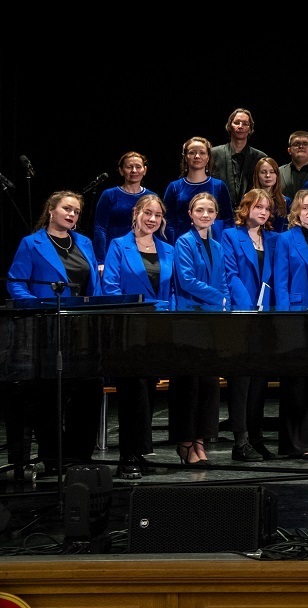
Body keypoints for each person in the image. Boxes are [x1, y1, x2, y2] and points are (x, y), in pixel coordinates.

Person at [5, 190, 103, 470]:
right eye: (67, 209)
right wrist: (37, 307)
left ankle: (80, 455)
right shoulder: (31, 243)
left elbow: (93, 285)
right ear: (51, 210)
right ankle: (53, 457)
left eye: (76, 212)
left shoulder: (84, 242)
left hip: (82, 326)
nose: (72, 214)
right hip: (46, 327)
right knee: (49, 394)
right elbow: (16, 283)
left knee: (89, 389)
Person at [101, 193, 175, 479]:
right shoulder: (118, 246)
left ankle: (140, 452)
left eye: (157, 215)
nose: (152, 219)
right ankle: (126, 457)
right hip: (129, 328)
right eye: (148, 214)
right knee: (131, 393)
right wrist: (148, 307)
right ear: (136, 214)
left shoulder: (167, 249)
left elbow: (173, 290)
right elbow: (110, 289)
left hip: (157, 330)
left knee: (148, 392)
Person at [170, 191, 231, 467]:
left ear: (216, 215)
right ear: (190, 215)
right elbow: (186, 280)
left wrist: (226, 303)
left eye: (210, 211)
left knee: (209, 384)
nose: (205, 215)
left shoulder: (218, 246)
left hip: (212, 322)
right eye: (199, 211)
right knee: (189, 384)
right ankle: (185, 442)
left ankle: (200, 442)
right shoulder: (183, 242)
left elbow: (223, 281)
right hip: (189, 319)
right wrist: (218, 298)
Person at [220, 188, 279, 462]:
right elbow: (230, 275)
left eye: (266, 208)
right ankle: (240, 441)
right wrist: (249, 309)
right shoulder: (231, 236)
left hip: (266, 317)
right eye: (258, 207)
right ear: (246, 209)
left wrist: (266, 310)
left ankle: (256, 438)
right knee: (241, 381)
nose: (263, 212)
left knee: (259, 381)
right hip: (243, 316)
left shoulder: (273, 239)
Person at [272, 189, 308, 461]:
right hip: (295, 313)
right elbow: (280, 282)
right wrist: (284, 319)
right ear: (296, 211)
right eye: (305, 207)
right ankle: (295, 443)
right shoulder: (285, 240)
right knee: (295, 382)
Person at [162, 136, 234, 243]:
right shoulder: (174, 187)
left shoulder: (219, 185)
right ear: (185, 157)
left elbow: (228, 220)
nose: (197, 156)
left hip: (212, 242)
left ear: (208, 157)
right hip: (182, 244)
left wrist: (225, 244)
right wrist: (174, 245)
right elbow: (168, 222)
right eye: (192, 152)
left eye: (202, 153)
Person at [92, 150, 154, 273]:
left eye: (138, 167)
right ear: (121, 171)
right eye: (129, 167)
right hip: (113, 252)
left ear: (145, 170)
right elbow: (100, 228)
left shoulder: (151, 197)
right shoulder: (109, 195)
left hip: (141, 253)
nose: (134, 171)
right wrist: (101, 261)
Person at [209, 108, 269, 205]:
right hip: (218, 212)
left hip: (249, 213)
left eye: (245, 124)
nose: (240, 126)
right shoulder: (214, 154)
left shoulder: (260, 158)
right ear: (229, 126)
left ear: (250, 129)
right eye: (237, 122)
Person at [253, 156, 290, 233]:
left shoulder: (285, 201)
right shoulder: (249, 199)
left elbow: (288, 228)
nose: (268, 175)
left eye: (272, 172)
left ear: (277, 175)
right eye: (263, 172)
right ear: (257, 175)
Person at [278, 130, 308, 199]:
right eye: (296, 144)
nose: (301, 146)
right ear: (289, 150)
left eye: (305, 144)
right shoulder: (279, 172)